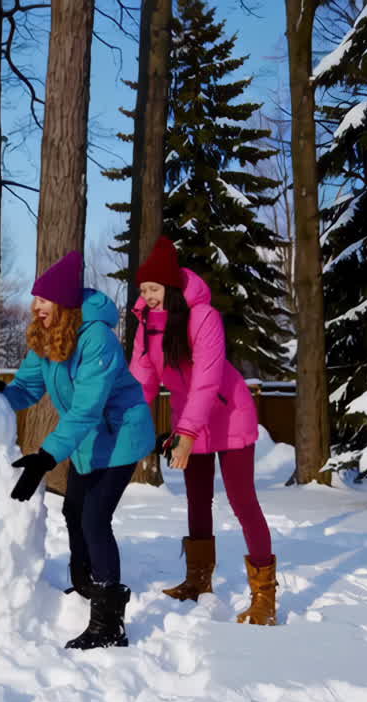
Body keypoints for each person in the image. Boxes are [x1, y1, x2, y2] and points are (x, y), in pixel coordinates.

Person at [2, 250, 156, 650]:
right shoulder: (46, 337)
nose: (36, 308)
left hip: (120, 436)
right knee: (72, 510)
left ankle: (109, 624)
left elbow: (88, 406)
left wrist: (46, 456)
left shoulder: (97, 338)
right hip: (88, 440)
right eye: (35, 299)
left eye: (44, 300)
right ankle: (85, 583)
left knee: (94, 518)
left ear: (65, 303)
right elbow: (25, 389)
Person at [128, 236, 278, 626]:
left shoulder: (203, 317)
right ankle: (198, 580)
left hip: (228, 415)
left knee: (242, 500)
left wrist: (188, 433)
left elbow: (208, 380)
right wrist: (128, 423)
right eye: (143, 289)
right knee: (196, 498)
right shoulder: (146, 324)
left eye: (154, 289)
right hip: (190, 417)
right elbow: (141, 380)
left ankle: (264, 596)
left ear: (172, 288)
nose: (148, 296)